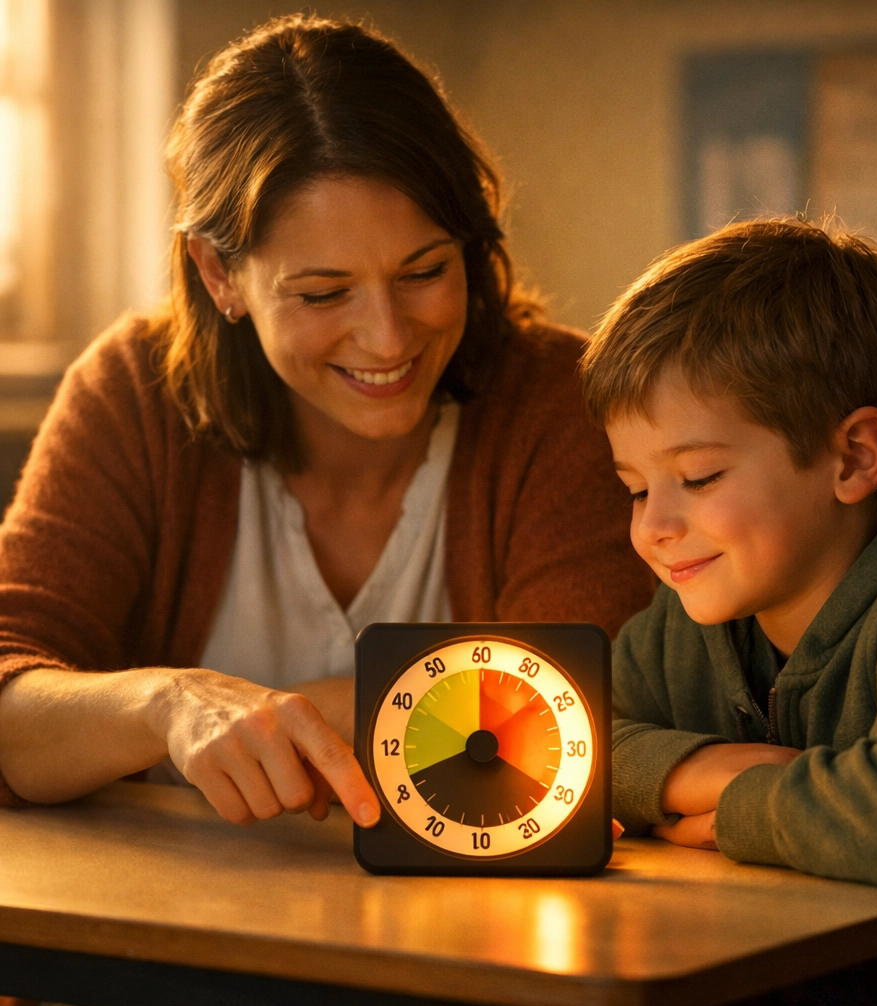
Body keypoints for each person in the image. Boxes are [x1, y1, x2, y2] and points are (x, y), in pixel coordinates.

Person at [0, 13, 653, 828]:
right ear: (219, 274)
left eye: (424, 272)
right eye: (323, 293)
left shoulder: (559, 403)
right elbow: (9, 697)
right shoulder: (134, 395)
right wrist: (167, 704)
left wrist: (293, 714)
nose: (387, 338)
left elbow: (584, 717)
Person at [580, 218, 877, 1006]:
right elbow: (563, 744)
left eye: (699, 477)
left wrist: (741, 807)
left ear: (853, 457)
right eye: (636, 489)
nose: (654, 527)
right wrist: (696, 770)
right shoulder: (694, 610)